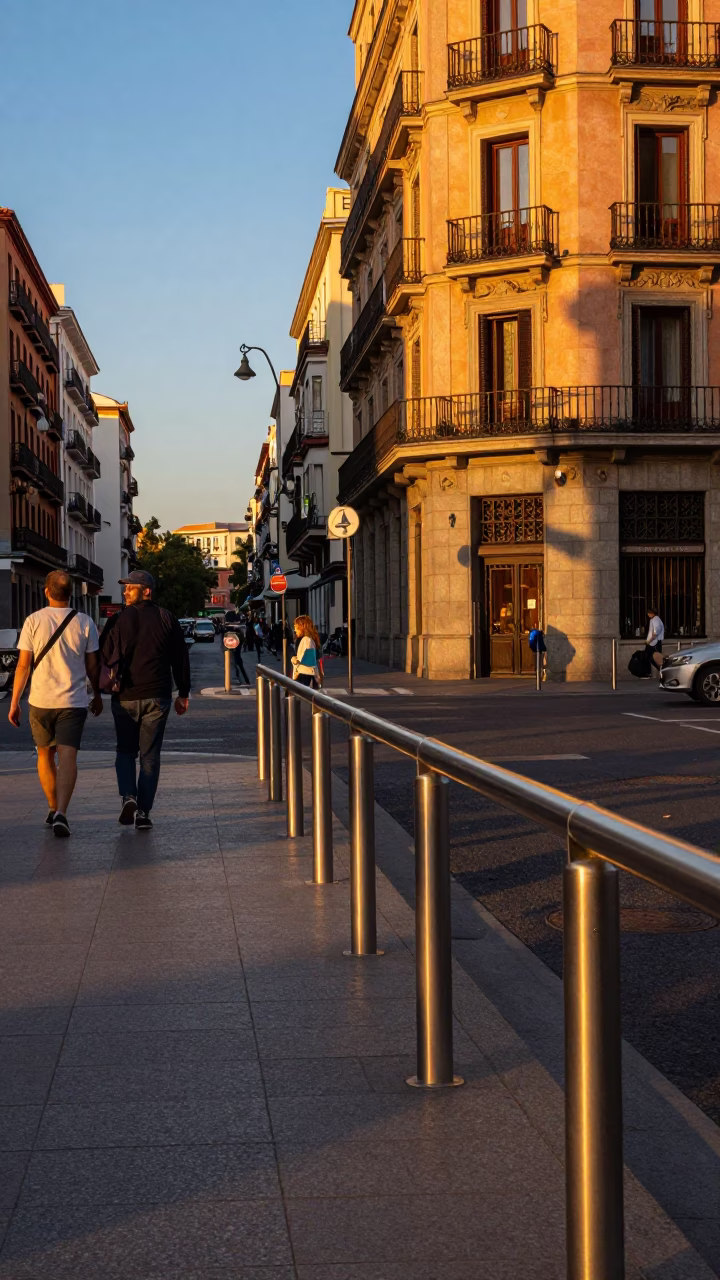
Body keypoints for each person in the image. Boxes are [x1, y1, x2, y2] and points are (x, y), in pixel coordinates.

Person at [8, 569, 102, 837]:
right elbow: (93, 665)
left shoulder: (33, 621)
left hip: (40, 700)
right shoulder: (84, 622)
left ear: (46, 591)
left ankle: (51, 808)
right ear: (70, 593)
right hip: (73, 701)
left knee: (44, 755)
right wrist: (96, 694)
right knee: (68, 756)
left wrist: (14, 701)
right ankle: (62, 812)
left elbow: (23, 666)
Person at [101, 569, 190, 829]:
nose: (125, 591)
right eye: (125, 587)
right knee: (150, 756)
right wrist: (183, 693)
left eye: (131, 587)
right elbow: (180, 658)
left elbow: (104, 656)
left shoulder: (117, 619)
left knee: (125, 751)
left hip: (125, 695)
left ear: (147, 590)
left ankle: (129, 795)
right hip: (158, 696)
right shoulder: (166, 618)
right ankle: (143, 813)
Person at [291, 615, 323, 689]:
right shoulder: (306, 639)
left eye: (296, 626)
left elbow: (309, 661)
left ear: (302, 627)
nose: (295, 630)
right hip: (306, 675)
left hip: (304, 676)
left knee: (295, 697)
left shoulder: (306, 640)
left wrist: (294, 660)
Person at [646, 607, 665, 674]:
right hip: (652, 643)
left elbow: (656, 632)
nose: (648, 614)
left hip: (655, 643)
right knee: (649, 657)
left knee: (655, 658)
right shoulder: (653, 619)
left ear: (652, 613)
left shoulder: (656, 619)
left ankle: (662, 670)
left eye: (649, 613)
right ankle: (660, 670)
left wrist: (649, 641)